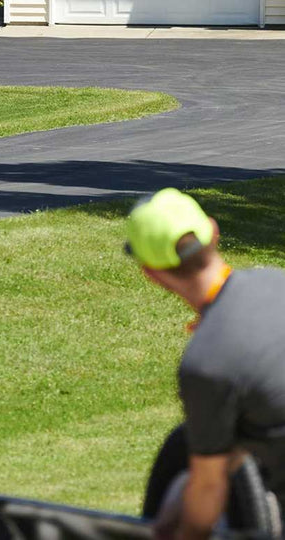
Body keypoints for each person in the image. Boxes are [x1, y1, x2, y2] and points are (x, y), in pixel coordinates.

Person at [125, 188, 285, 539]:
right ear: (213, 231)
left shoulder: (206, 363)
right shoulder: (279, 281)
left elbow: (209, 491)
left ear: (151, 273)